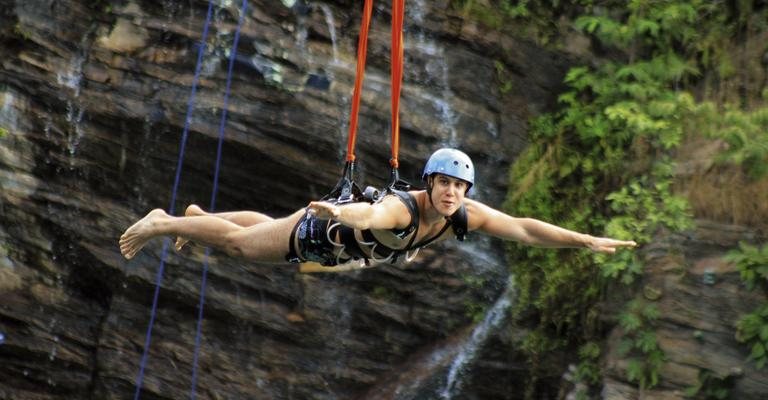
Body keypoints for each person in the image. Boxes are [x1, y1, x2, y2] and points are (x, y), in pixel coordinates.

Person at [119, 148, 637, 268]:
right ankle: (162, 223)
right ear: (429, 182)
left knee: (262, 224)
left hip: (327, 237)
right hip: (319, 235)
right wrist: (343, 216)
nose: (450, 194)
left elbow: (524, 229)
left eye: (459, 188)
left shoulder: (465, 214)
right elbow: (374, 217)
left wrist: (585, 239)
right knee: (241, 245)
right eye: (443, 184)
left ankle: (195, 216)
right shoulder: (404, 209)